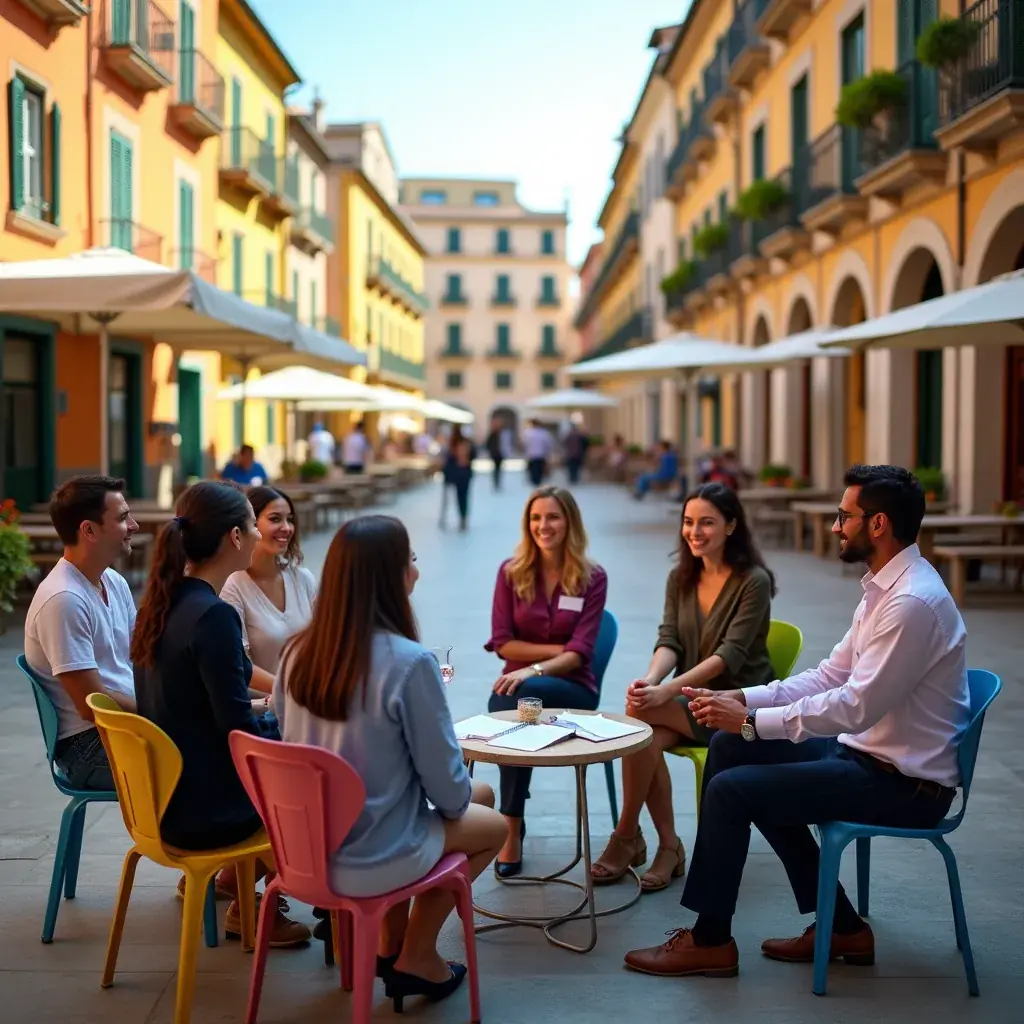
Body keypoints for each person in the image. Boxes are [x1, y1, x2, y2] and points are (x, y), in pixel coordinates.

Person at [623, 465, 969, 979]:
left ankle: (712, 939)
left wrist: (751, 722)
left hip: (903, 783)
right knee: (729, 751)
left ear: (877, 525)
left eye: (844, 516)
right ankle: (844, 927)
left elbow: (854, 706)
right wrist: (742, 698)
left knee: (732, 789)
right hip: (865, 754)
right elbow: (830, 674)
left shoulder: (912, 602)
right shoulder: (884, 588)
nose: (835, 526)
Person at [274, 515, 505, 1006]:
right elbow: (448, 792)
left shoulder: (296, 654)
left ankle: (388, 944)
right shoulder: (408, 662)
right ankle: (417, 955)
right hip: (374, 854)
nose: (417, 572)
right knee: (494, 825)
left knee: (475, 801)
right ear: (393, 576)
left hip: (307, 850)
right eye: (412, 561)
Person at [131, 481, 310, 947]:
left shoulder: (162, 601)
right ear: (234, 537)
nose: (257, 535)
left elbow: (203, 704)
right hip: (207, 810)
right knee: (320, 787)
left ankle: (238, 883)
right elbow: (239, 735)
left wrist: (273, 710)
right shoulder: (213, 615)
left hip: (164, 799)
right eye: (253, 525)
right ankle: (267, 901)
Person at [591, 483, 775, 891]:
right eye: (689, 522)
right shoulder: (681, 577)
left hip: (733, 709)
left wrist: (667, 692)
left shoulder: (753, 581)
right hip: (692, 703)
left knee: (637, 715)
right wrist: (651, 680)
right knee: (647, 734)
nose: (694, 531)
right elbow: (670, 639)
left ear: (731, 525)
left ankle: (628, 838)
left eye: (706, 522)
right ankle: (667, 846)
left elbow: (728, 656)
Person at [484, 486, 608, 877]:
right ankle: (513, 819)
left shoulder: (592, 577)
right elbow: (503, 643)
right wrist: (558, 649)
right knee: (514, 704)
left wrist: (531, 665)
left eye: (552, 517)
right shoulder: (510, 572)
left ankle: (511, 823)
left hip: (575, 690)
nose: (543, 526)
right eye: (536, 518)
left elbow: (580, 654)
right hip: (517, 689)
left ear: (569, 521)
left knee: (515, 700)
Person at [24, 476, 139, 791]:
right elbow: (92, 705)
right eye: (123, 518)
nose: (134, 525)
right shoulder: (64, 599)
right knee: (204, 760)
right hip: (88, 746)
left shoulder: (113, 580)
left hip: (123, 727)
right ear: (89, 530)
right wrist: (161, 710)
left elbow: (143, 654)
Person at [220, 486, 317, 697]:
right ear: (250, 525)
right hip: (267, 711)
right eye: (275, 519)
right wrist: (291, 694)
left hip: (313, 700)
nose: (287, 527)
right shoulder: (233, 586)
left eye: (289, 519)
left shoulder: (303, 579)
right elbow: (239, 666)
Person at [441, 425, 475, 532]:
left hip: (455, 474)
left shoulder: (451, 444)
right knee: (463, 497)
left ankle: (448, 518)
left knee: (450, 498)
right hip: (463, 474)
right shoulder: (466, 443)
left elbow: (447, 461)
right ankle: (463, 518)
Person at [522, 418, 553, 487]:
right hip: (541, 455)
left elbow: (525, 444)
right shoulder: (544, 433)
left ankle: (534, 483)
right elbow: (548, 444)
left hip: (531, 455)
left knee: (533, 471)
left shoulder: (528, 433)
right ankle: (538, 483)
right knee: (539, 471)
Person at [485, 416, 511, 492]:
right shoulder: (493, 434)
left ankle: (498, 482)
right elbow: (488, 443)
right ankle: (496, 483)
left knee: (499, 469)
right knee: (496, 469)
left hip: (501, 453)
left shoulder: (503, 433)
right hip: (495, 453)